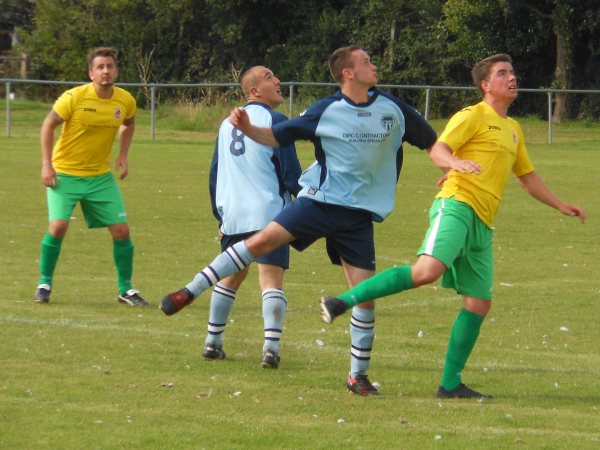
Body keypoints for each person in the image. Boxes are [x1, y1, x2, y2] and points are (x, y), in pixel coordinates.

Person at [161, 45, 437, 395]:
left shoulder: (391, 107)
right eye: (366, 61)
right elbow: (279, 142)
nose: (374, 65)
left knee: (364, 296)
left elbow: (431, 142)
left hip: (355, 215)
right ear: (347, 73)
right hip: (317, 201)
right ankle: (191, 292)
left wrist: (451, 164)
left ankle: (357, 376)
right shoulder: (325, 109)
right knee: (262, 250)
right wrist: (250, 132)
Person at [320, 53, 586, 399]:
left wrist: (560, 204)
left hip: (483, 221)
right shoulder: (472, 115)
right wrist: (454, 163)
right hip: (457, 204)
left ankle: (449, 385)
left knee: (478, 303)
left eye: (512, 72)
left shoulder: (514, 129)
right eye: (502, 73)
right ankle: (341, 301)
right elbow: (439, 148)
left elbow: (527, 177)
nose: (512, 77)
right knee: (427, 271)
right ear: (485, 85)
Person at [200, 65, 302, 368]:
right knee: (270, 279)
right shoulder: (276, 121)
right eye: (270, 77)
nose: (278, 80)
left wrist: (220, 217)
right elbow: (291, 174)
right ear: (254, 91)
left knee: (231, 276)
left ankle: (212, 341)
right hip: (269, 213)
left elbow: (215, 175)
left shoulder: (226, 123)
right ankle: (270, 348)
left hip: (233, 214)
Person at [35, 46, 148, 307]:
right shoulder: (73, 98)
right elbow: (48, 125)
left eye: (110, 66)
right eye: (100, 67)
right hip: (65, 174)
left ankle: (126, 289)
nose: (106, 71)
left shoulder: (125, 100)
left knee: (122, 230)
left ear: (115, 70)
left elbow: (129, 123)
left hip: (100, 177)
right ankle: (44, 283)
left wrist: (123, 155)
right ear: (91, 73)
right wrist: (46, 164)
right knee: (58, 226)